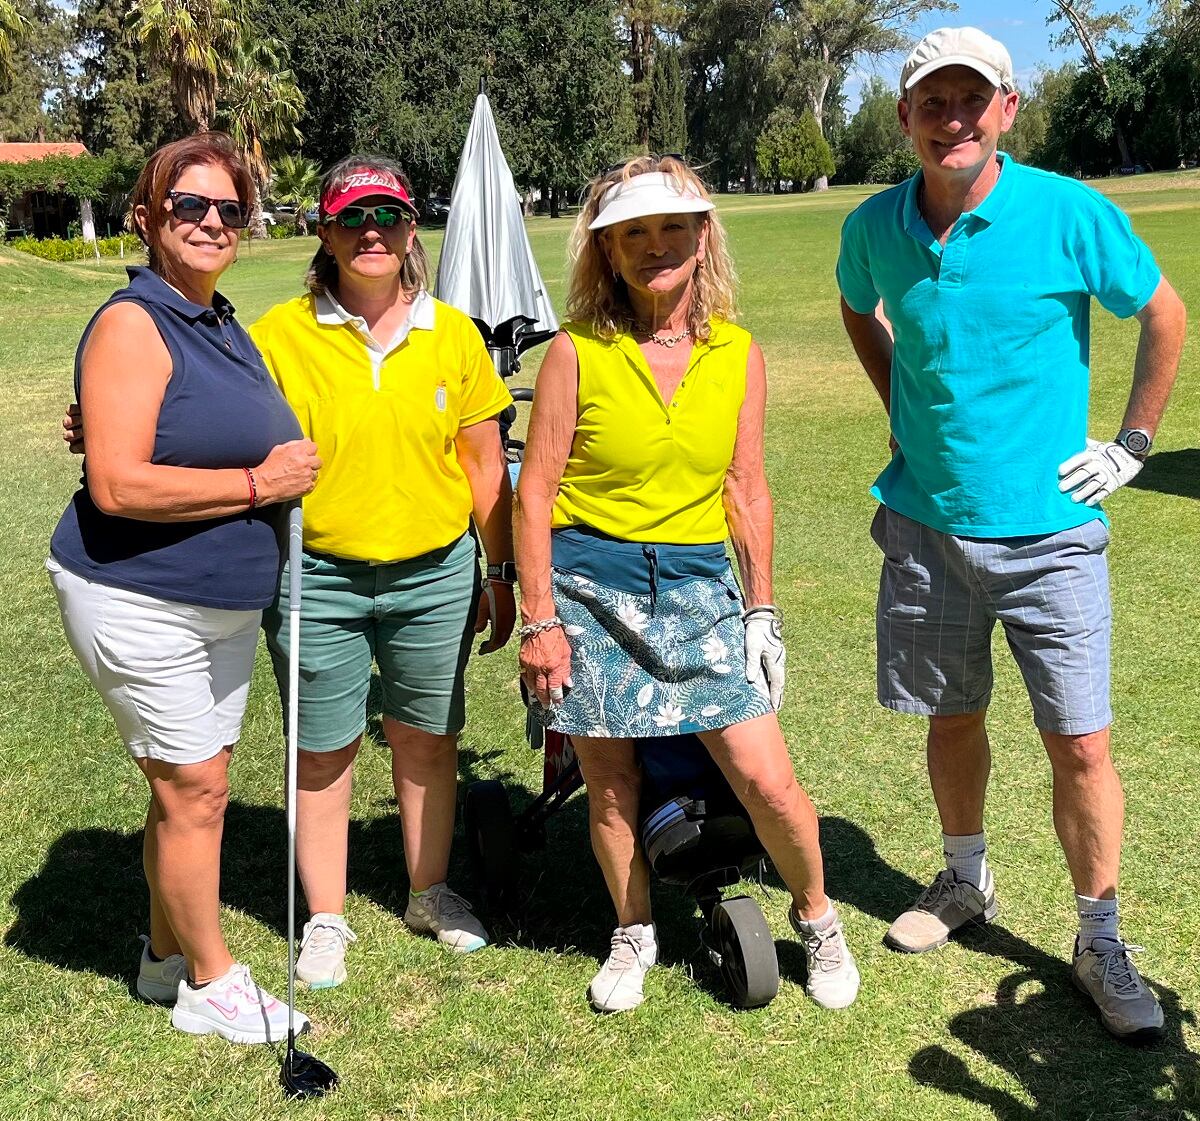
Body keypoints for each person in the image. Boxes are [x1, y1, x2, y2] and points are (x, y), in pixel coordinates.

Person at [836, 27, 1186, 1040]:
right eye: (932, 102)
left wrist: (1132, 443)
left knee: (1079, 740)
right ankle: (965, 875)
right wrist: (899, 405)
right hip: (926, 522)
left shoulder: (1068, 211)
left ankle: (1100, 935)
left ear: (1007, 110)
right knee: (953, 716)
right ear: (904, 117)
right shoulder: (873, 226)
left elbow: (1163, 313)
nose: (953, 118)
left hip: (1051, 536)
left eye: (971, 100)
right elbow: (861, 312)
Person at [515, 156, 861, 1014]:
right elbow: (536, 492)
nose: (655, 247)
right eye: (633, 233)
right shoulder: (575, 352)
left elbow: (746, 487)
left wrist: (763, 607)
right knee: (610, 780)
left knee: (765, 776)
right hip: (592, 588)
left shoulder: (738, 353)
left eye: (673, 228)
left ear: (704, 238)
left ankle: (818, 919)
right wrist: (538, 620)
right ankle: (634, 930)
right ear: (607, 250)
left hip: (703, 588)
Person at [47, 132, 322, 1044]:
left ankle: (163, 961)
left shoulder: (214, 317)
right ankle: (211, 982)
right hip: (139, 592)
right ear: (147, 217)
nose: (211, 221)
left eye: (228, 209)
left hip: (217, 602)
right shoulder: (136, 320)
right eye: (189, 206)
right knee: (195, 786)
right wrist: (260, 486)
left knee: (186, 782)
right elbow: (118, 484)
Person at [247, 154, 516, 988]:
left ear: (411, 231)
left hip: (433, 573)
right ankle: (324, 917)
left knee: (427, 738)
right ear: (324, 232)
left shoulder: (454, 332)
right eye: (354, 218)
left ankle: (429, 892)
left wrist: (498, 571)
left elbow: (483, 466)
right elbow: (207, 419)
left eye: (391, 217)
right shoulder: (275, 335)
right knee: (321, 749)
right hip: (315, 573)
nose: (374, 232)